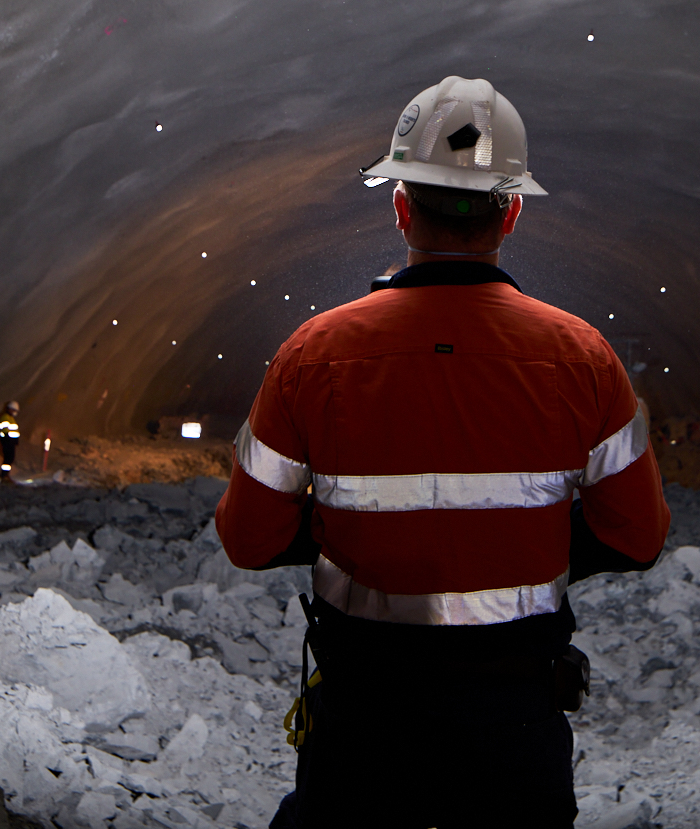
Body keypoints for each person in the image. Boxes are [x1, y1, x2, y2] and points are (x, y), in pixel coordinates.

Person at [215, 76, 670, 829]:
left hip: (364, 720)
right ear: (512, 211)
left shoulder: (311, 356)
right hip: (515, 726)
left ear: (400, 205)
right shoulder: (583, 359)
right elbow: (638, 536)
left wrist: (347, 534)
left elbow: (247, 539)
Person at [0, 401, 21, 480]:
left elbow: (13, 430)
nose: (15, 412)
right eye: (14, 410)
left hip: (10, 441)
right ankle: (4, 475)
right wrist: (9, 439)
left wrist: (15, 439)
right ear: (10, 409)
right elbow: (5, 430)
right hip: (7, 441)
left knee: (10, 458)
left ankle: (6, 474)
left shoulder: (11, 418)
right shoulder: (5, 417)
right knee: (8, 458)